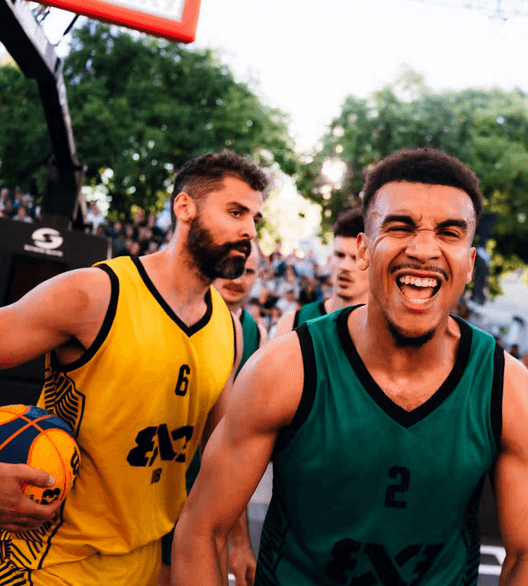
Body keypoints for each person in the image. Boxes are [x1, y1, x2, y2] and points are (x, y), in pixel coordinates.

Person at [172, 148, 528, 586]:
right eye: (400, 226)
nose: (424, 249)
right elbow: (202, 530)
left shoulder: (507, 389)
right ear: (364, 248)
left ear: (469, 262)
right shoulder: (286, 368)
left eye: (449, 232)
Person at [0, 149, 267, 585]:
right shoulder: (95, 294)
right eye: (236, 212)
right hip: (49, 563)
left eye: (256, 219)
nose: (248, 231)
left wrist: (237, 540)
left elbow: (223, 457)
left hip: (142, 568)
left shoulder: (229, 330)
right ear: (185, 207)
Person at [157, 242, 268, 586]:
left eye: (248, 271)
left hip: (205, 497)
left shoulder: (255, 335)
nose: (238, 279)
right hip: (155, 485)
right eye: (233, 268)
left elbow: (240, 451)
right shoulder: (176, 315)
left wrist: (240, 538)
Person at [275, 207, 369, 333]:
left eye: (355, 258)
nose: (344, 266)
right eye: (340, 255)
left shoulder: (387, 330)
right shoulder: (293, 323)